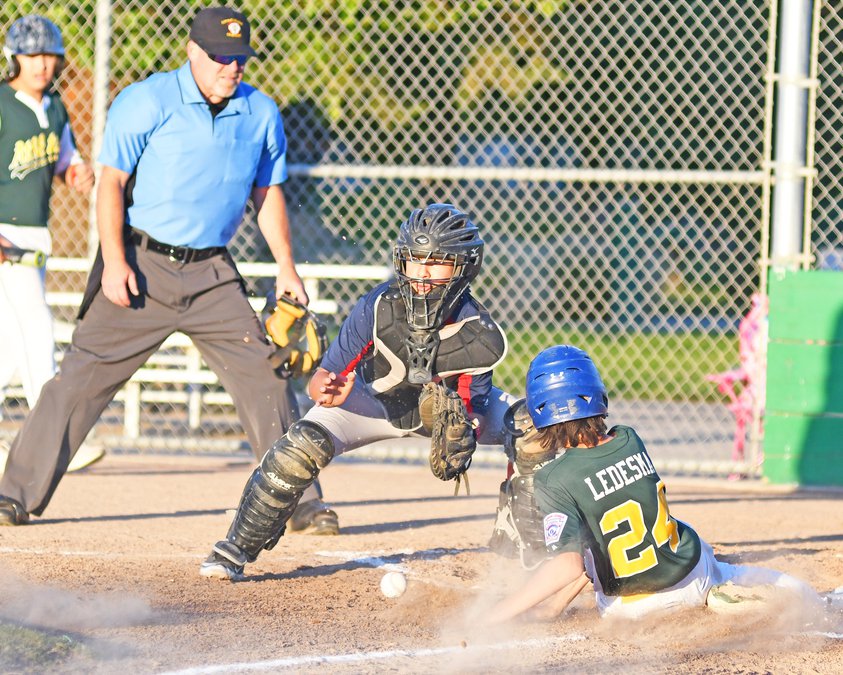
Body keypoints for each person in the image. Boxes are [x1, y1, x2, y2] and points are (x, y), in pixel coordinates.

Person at [0, 6, 307, 526]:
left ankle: (297, 502)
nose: (232, 67)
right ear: (193, 51)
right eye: (220, 57)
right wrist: (115, 260)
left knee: (267, 378)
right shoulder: (147, 100)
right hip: (142, 266)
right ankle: (14, 494)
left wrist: (287, 267)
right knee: (79, 378)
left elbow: (267, 192)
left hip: (213, 275)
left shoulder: (259, 112)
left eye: (240, 58)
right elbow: (112, 183)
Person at [200, 202, 514, 580]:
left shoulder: (480, 333)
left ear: (465, 267)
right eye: (415, 259)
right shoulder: (378, 307)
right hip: (372, 403)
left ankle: (519, 541)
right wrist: (326, 388)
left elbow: (473, 407)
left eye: (437, 262)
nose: (422, 273)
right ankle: (236, 547)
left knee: (532, 427)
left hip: (441, 416)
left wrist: (463, 431)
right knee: (300, 445)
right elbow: (323, 378)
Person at [485, 345, 818, 624]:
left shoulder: (553, 479)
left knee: (591, 536)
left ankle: (720, 596)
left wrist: (497, 615)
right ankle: (789, 594)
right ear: (597, 394)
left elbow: (569, 565)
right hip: (692, 575)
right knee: (698, 546)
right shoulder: (629, 438)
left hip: (631, 609)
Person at [0, 14, 102, 473]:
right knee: (38, 328)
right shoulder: (3, 104)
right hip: (5, 234)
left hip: (35, 234)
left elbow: (65, 160)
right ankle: (56, 440)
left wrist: (75, 173)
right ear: (13, 58)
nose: (42, 64)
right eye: (31, 55)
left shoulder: (55, 107)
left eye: (49, 55)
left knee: (9, 348)